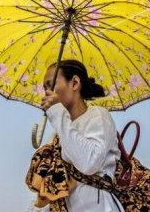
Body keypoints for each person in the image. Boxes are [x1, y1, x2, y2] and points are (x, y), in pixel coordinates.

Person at [26, 59, 124, 212]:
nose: (46, 92)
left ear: (74, 83)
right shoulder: (57, 134)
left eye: (51, 84)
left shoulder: (98, 116)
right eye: (44, 87)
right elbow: (47, 186)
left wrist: (57, 113)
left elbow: (90, 162)